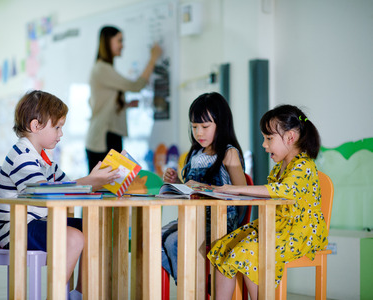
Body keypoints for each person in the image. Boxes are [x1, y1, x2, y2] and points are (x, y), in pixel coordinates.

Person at [0, 90, 119, 300]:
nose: (61, 134)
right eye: (57, 127)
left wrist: (94, 181)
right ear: (35, 126)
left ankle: (79, 293)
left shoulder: (44, 159)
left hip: (37, 222)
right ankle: (57, 295)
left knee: (95, 228)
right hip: (17, 228)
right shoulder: (22, 155)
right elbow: (44, 194)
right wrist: (90, 181)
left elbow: (67, 186)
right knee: (75, 237)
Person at [208, 104, 329, 300]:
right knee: (224, 247)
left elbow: (282, 191)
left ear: (290, 137)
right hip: (276, 226)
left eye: (269, 138)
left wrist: (234, 188)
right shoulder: (279, 168)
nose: (264, 145)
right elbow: (269, 193)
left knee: (249, 252)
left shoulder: (304, 165)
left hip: (302, 232)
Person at [161, 92, 246, 284]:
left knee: (174, 241)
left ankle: (195, 286)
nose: (199, 133)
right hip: (192, 218)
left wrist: (207, 188)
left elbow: (242, 192)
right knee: (153, 238)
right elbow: (191, 191)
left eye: (205, 126)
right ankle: (191, 283)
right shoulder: (195, 153)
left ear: (221, 124)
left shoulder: (229, 153)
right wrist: (176, 183)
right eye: (194, 126)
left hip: (219, 223)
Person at [85, 25, 162, 172]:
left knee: (111, 187)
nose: (122, 45)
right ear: (108, 42)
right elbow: (136, 86)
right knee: (107, 189)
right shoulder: (102, 69)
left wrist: (125, 105)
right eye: (119, 41)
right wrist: (153, 58)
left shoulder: (104, 68)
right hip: (103, 138)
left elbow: (100, 102)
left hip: (107, 135)